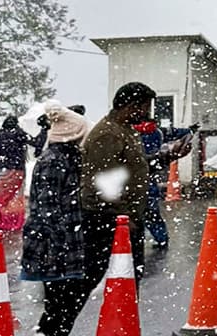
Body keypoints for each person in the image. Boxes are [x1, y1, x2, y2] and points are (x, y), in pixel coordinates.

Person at [78, 82, 156, 298]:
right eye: (145, 107)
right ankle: (60, 317)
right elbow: (102, 183)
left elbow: (132, 168)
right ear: (131, 107)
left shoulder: (125, 131)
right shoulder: (108, 135)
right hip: (107, 219)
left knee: (129, 279)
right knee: (93, 277)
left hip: (124, 219)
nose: (147, 114)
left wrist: (167, 156)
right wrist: (122, 217)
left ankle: (125, 316)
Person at [21, 103, 91, 336]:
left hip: (62, 244)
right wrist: (60, 245)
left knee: (61, 306)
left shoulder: (66, 158)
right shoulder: (54, 160)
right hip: (55, 246)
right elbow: (47, 209)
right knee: (59, 305)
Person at [132, 118, 193, 247]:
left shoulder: (130, 134)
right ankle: (161, 238)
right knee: (151, 211)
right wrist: (189, 131)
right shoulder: (157, 132)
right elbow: (174, 133)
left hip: (135, 176)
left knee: (134, 212)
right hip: (149, 176)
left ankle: (135, 240)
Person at [0, 115, 32, 231]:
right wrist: (44, 130)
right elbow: (37, 143)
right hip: (16, 171)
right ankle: (14, 224)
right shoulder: (20, 134)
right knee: (15, 198)